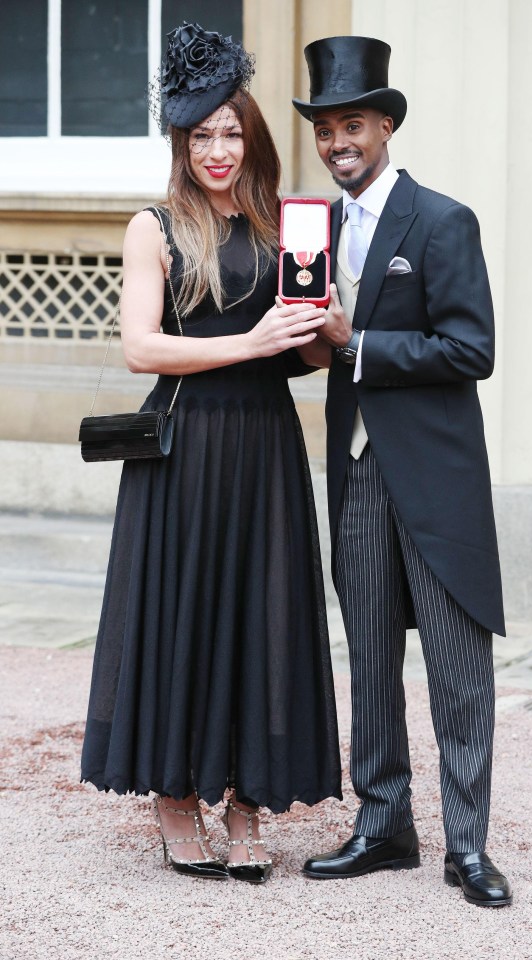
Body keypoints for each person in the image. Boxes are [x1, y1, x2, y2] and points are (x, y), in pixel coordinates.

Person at [80, 22, 342, 885]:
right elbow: (142, 350)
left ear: (252, 137)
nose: (218, 150)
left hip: (266, 444)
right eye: (202, 136)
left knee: (257, 617)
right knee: (184, 613)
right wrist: (252, 339)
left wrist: (322, 328)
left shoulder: (283, 224)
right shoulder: (154, 226)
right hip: (186, 444)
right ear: (181, 144)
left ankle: (245, 805)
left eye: (231, 132)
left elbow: (301, 358)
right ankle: (177, 800)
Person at [291, 35, 512, 907]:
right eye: (324, 129)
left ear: (384, 125)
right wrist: (307, 343)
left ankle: (468, 847)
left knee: (458, 666)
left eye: (352, 125)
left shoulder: (443, 219)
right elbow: (327, 349)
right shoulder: (313, 229)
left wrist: (359, 344)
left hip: (432, 474)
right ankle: (383, 826)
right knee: (371, 656)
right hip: (352, 472)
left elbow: (472, 347)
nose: (337, 142)